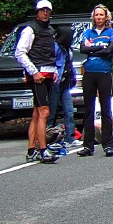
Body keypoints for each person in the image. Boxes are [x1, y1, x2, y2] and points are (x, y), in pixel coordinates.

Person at [14, 0, 59, 163]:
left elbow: (49, 54)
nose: (45, 13)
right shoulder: (29, 30)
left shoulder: (51, 31)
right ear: (37, 12)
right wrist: (34, 72)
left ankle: (31, 150)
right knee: (44, 112)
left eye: (48, 10)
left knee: (36, 113)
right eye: (42, 10)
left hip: (48, 75)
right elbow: (20, 53)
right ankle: (43, 150)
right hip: (37, 76)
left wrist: (53, 71)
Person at [78, 5, 113, 157]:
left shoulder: (112, 32)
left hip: (104, 73)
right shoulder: (88, 32)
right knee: (88, 109)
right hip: (89, 72)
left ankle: (107, 144)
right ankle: (88, 145)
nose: (99, 17)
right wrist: (99, 48)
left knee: (105, 108)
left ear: (106, 17)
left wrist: (92, 47)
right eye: (96, 15)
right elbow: (82, 49)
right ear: (93, 17)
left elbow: (109, 50)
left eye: (101, 15)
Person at [47, 25, 78, 154]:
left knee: (69, 111)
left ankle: (70, 137)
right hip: (55, 84)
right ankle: (46, 136)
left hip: (65, 84)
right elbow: (51, 64)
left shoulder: (68, 50)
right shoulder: (55, 48)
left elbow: (70, 65)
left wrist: (73, 77)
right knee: (51, 112)